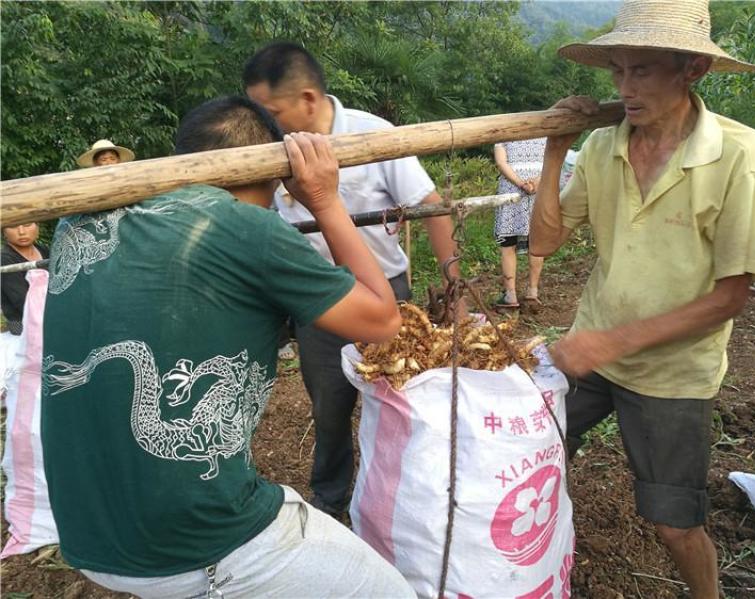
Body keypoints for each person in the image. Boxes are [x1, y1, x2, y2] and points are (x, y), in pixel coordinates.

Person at [40, 96, 414, 598]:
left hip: (86, 536)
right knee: (391, 592)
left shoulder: (76, 223)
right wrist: (324, 200)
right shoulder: (247, 229)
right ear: (269, 174)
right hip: (198, 543)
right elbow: (384, 319)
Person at [530, 1, 755, 598]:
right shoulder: (602, 148)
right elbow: (544, 240)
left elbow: (730, 297)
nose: (624, 87)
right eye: (617, 70)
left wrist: (608, 342)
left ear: (691, 69)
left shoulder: (742, 155)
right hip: (593, 352)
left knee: (672, 523)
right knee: (528, 452)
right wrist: (557, 149)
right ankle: (530, 562)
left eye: (641, 70)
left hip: (672, 373)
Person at [244, 41, 462, 518]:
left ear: (306, 99)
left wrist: (455, 288)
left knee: (403, 401)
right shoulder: (271, 152)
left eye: (270, 111)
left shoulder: (372, 136)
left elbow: (431, 205)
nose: (264, 123)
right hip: (320, 306)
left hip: (390, 296)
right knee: (329, 409)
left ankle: (411, 496)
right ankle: (332, 496)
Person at [493, 138, 546, 307]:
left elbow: (501, 163)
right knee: (536, 242)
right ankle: (532, 292)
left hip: (510, 189)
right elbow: (552, 162)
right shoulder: (545, 135)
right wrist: (536, 182)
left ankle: (510, 295)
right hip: (538, 189)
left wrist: (521, 183)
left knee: (508, 244)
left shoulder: (503, 135)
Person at [1, 223, 49, 335]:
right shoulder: (4, 259)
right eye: (13, 226)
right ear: (3, 231)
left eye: (27, 224)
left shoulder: (43, 249)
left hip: (51, 310)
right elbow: (21, 300)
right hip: (22, 320)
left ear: (37, 226)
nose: (21, 232)